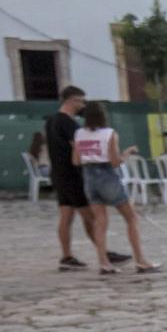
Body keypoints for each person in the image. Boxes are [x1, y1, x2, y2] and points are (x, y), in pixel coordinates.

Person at [70, 102, 155, 274]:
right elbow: (115, 162)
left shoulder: (79, 133)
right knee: (131, 218)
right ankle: (140, 260)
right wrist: (128, 152)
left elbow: (76, 161)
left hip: (88, 177)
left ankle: (104, 262)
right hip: (107, 175)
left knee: (100, 221)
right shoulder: (109, 134)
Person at [43, 87, 121, 271]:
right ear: (71, 100)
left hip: (59, 174)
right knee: (92, 217)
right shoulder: (69, 124)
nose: (82, 106)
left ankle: (67, 256)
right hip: (73, 175)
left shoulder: (51, 121)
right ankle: (104, 254)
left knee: (66, 215)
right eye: (81, 101)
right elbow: (80, 149)